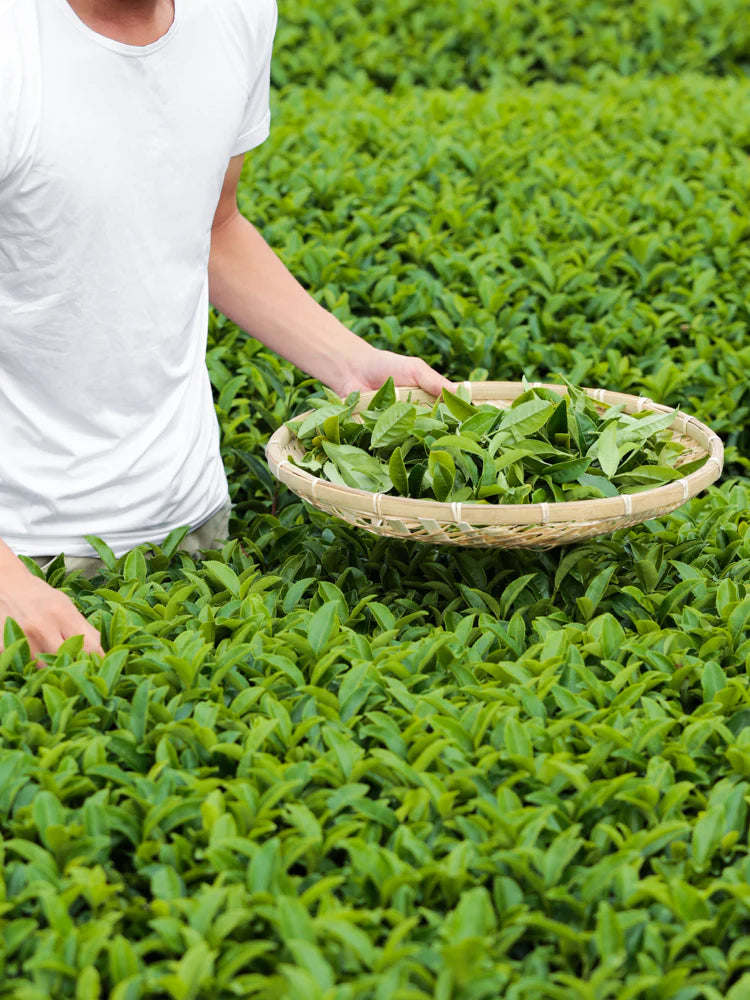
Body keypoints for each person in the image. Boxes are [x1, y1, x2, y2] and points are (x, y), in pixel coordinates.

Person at [0, 0, 451, 660]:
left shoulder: (237, 12)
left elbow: (211, 224)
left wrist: (351, 365)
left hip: (192, 524)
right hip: (25, 551)